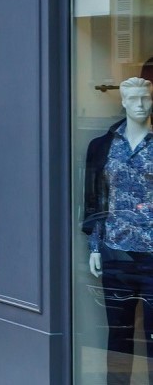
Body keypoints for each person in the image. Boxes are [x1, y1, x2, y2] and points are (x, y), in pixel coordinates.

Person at [84, 77, 153, 382]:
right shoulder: (102, 146)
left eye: (146, 98)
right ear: (122, 101)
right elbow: (94, 200)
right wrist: (95, 247)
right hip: (116, 254)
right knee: (118, 333)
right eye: (134, 98)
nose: (140, 104)